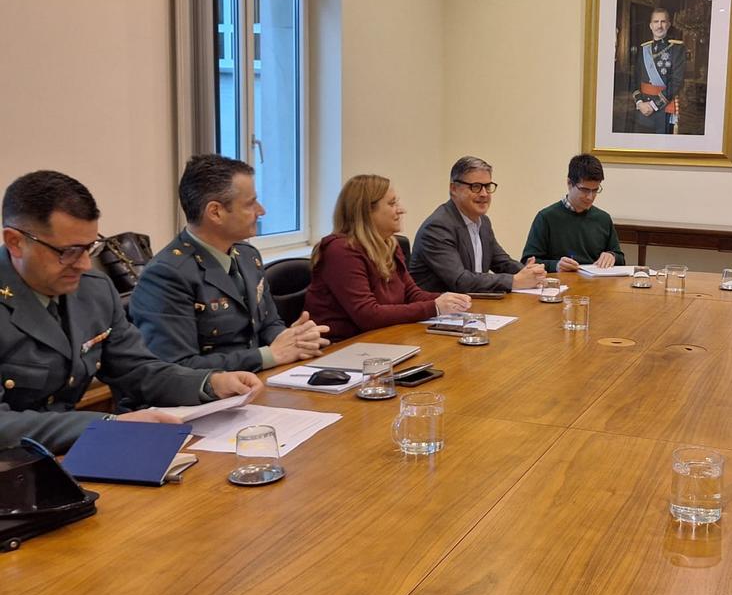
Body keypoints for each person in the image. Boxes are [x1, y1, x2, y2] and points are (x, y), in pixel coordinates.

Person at [0, 171, 260, 453]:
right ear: (16, 241)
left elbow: (138, 370)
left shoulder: (94, 291)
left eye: (90, 248)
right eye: (69, 251)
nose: (85, 265)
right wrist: (109, 424)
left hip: (72, 454)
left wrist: (210, 383)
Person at [131, 155, 330, 372]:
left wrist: (294, 339)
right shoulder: (167, 274)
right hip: (203, 398)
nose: (261, 211)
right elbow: (176, 368)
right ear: (215, 212)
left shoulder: (247, 255)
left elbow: (268, 323)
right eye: (250, 203)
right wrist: (268, 355)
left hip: (253, 384)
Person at [306, 175, 472, 342]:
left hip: (382, 339)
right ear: (366, 211)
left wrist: (450, 300)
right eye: (392, 204)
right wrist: (434, 307)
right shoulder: (341, 251)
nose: (401, 210)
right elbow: (368, 315)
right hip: (341, 348)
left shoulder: (389, 244)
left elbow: (411, 294)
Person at [409, 156, 546, 293]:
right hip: (441, 311)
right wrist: (514, 281)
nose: (484, 194)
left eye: (487, 186)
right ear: (454, 189)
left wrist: (529, 272)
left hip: (473, 306)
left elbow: (502, 262)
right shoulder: (437, 227)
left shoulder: (483, 222)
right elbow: (461, 280)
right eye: (475, 187)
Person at [521, 154, 625, 273]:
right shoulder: (546, 218)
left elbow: (620, 258)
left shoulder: (603, 218)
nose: (590, 197)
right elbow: (527, 262)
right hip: (559, 285)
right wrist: (556, 265)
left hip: (596, 285)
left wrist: (612, 256)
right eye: (585, 190)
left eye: (595, 190)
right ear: (569, 183)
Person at [631, 7, 687, 134]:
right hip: (643, 107)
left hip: (663, 108)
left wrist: (653, 105)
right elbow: (635, 79)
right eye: (656, 22)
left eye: (663, 21)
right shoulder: (643, 49)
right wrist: (640, 102)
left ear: (668, 24)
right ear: (651, 25)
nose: (659, 26)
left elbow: (677, 82)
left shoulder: (677, 49)